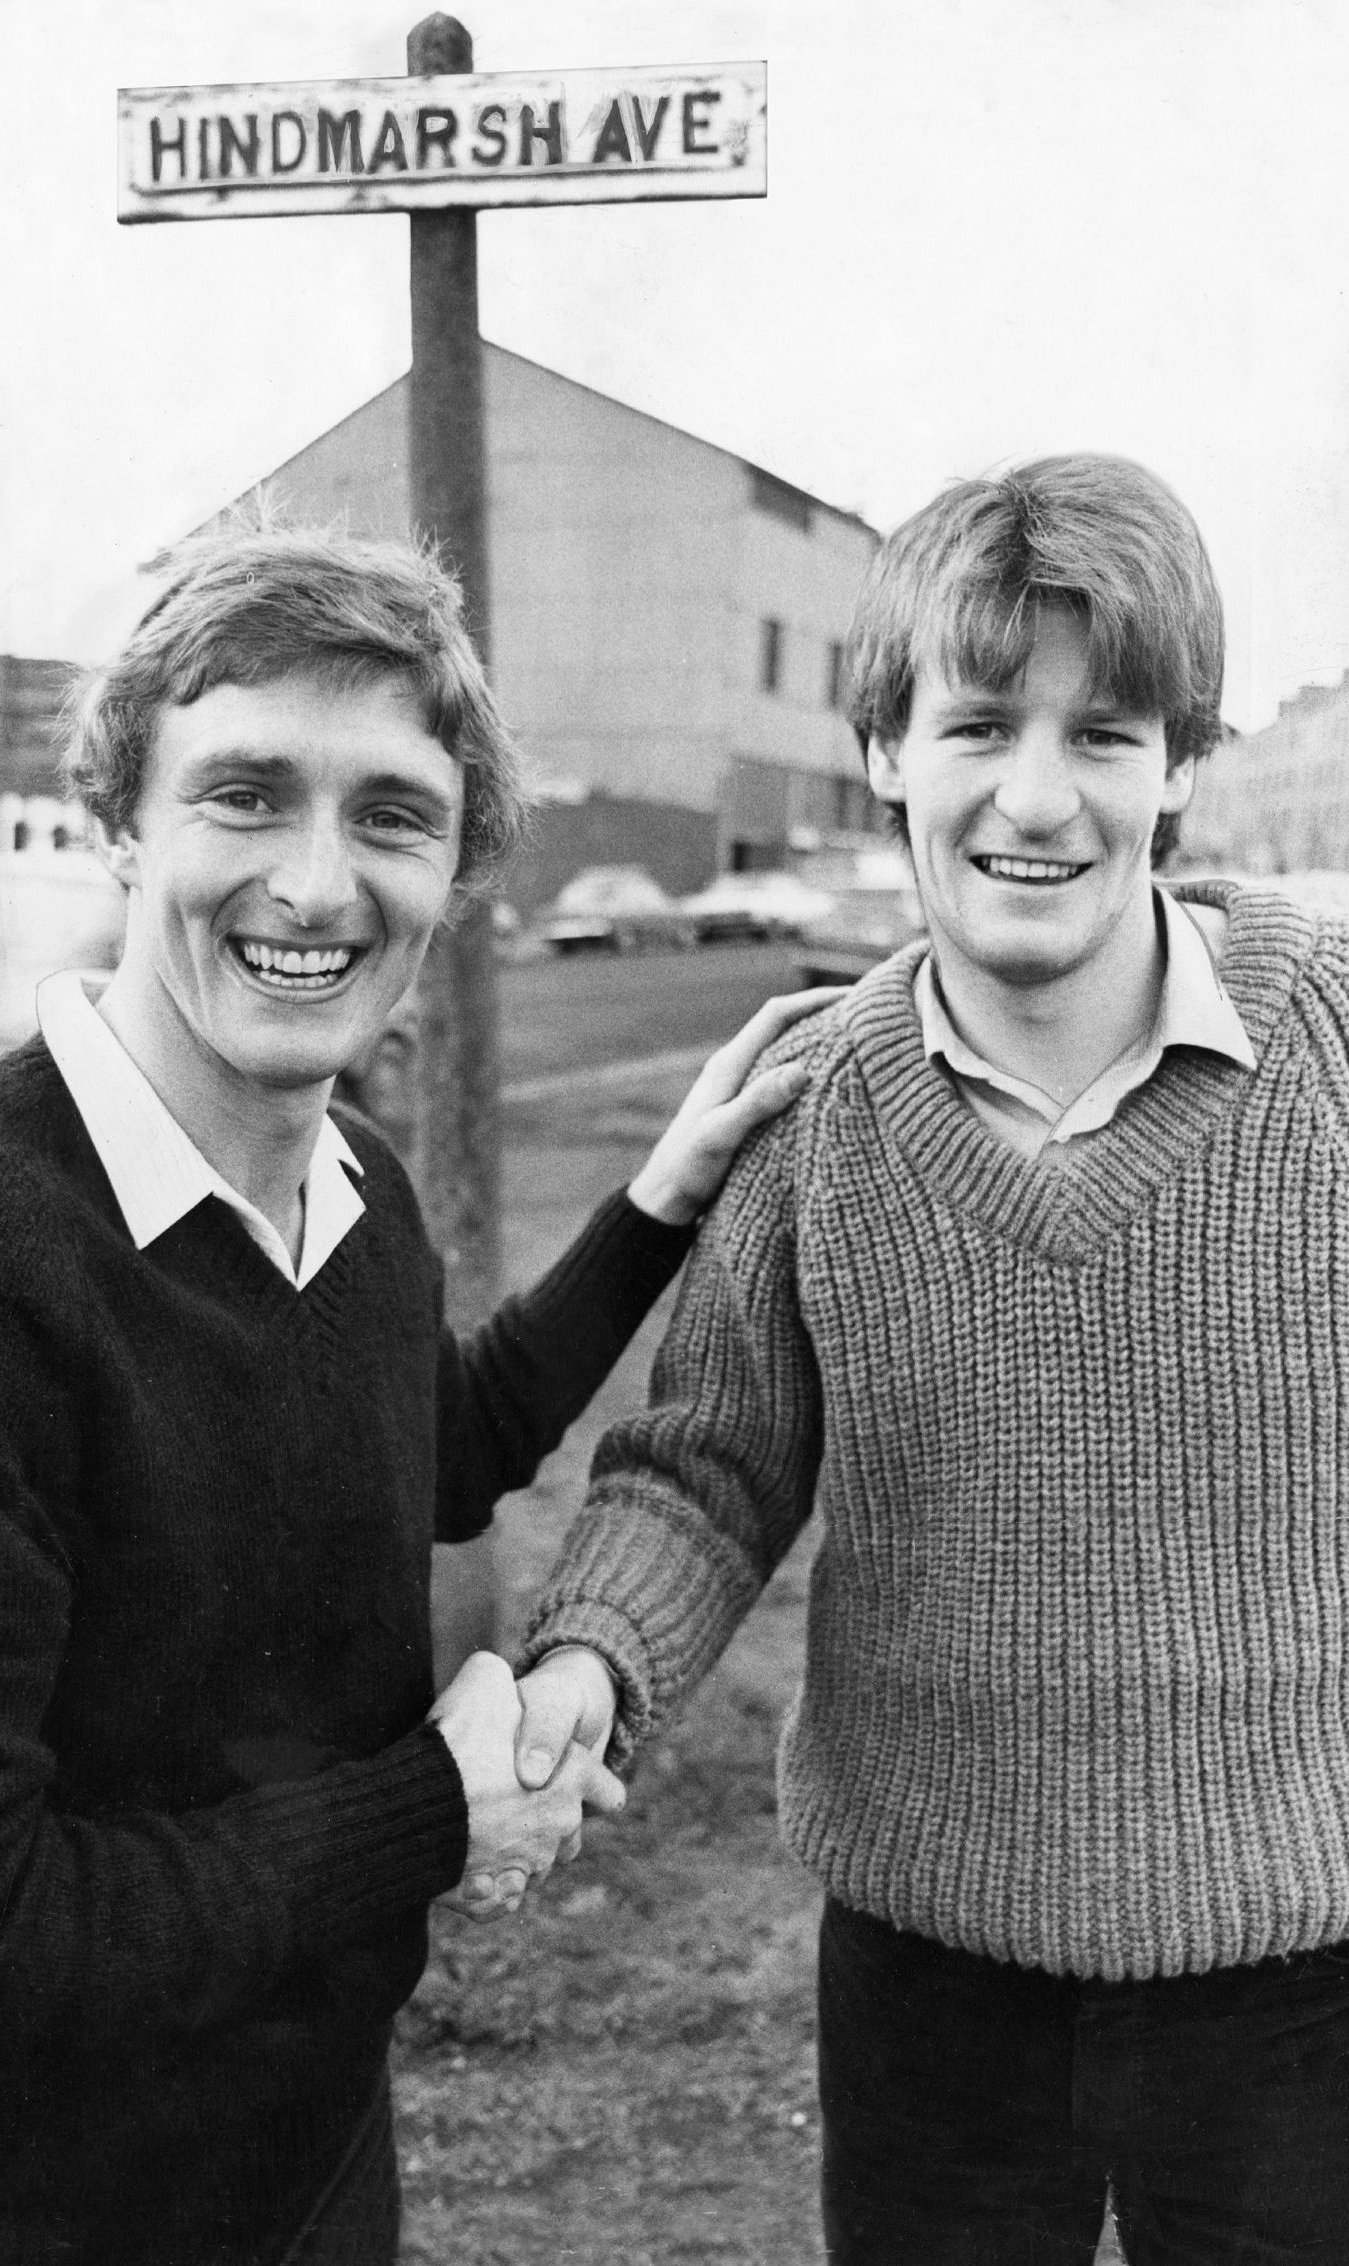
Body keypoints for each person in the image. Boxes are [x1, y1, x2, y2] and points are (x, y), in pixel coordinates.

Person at [0, 522, 828, 2265]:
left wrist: (658, 1201)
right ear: (122, 818)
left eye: (391, 815)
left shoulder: (356, 1183)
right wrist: (435, 1808)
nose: (320, 886)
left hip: (321, 2158)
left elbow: (439, 1444)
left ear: (457, 864)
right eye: (246, 794)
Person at [509, 453, 1349, 2264]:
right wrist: (591, 1654)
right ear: (886, 744)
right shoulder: (820, 1109)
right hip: (929, 1983)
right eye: (979, 724)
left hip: (1302, 1977)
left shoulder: (1337, 1048)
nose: (1034, 798)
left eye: (1107, 734)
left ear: (1183, 765)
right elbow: (709, 1466)